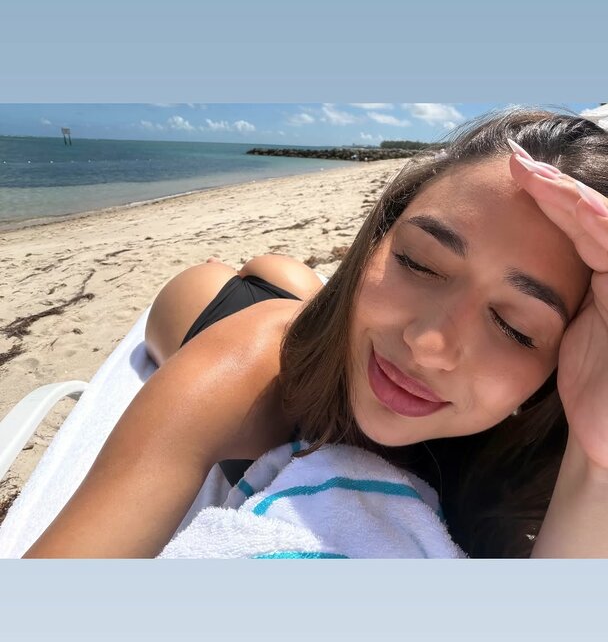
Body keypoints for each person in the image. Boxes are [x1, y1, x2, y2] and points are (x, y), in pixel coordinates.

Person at [23, 107, 608, 558]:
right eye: (419, 262)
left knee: (291, 282)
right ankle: (290, 290)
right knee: (210, 288)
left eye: (514, 327)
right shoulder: (246, 370)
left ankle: (304, 285)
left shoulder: (546, 462)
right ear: (378, 236)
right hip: (250, 327)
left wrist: (594, 463)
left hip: (331, 328)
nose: (429, 344)